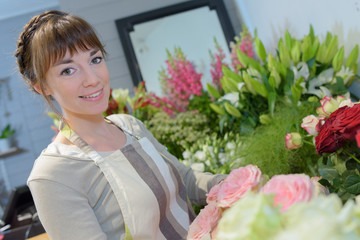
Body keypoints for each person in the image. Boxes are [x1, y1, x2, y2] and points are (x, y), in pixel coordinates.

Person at [15, 10, 226, 240]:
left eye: (95, 59)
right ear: (41, 86)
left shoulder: (129, 126)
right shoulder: (53, 174)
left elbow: (184, 179)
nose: (93, 79)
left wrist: (232, 184)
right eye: (68, 70)